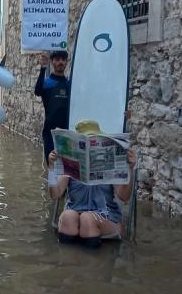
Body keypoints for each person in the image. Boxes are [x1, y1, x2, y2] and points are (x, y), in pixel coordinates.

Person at [47, 119, 136, 248]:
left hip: (105, 216)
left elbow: (124, 196)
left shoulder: (109, 163)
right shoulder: (69, 161)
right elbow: (55, 195)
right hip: (75, 212)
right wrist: (51, 167)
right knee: (68, 216)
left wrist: (130, 169)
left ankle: (90, 265)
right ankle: (65, 264)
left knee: (87, 218)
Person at [34, 50, 70, 165]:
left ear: (66, 62)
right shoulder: (47, 83)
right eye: (57, 59)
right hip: (50, 133)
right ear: (52, 62)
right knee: (52, 167)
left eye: (63, 60)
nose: (60, 62)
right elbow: (37, 91)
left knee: (66, 170)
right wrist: (43, 68)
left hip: (67, 133)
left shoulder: (70, 85)